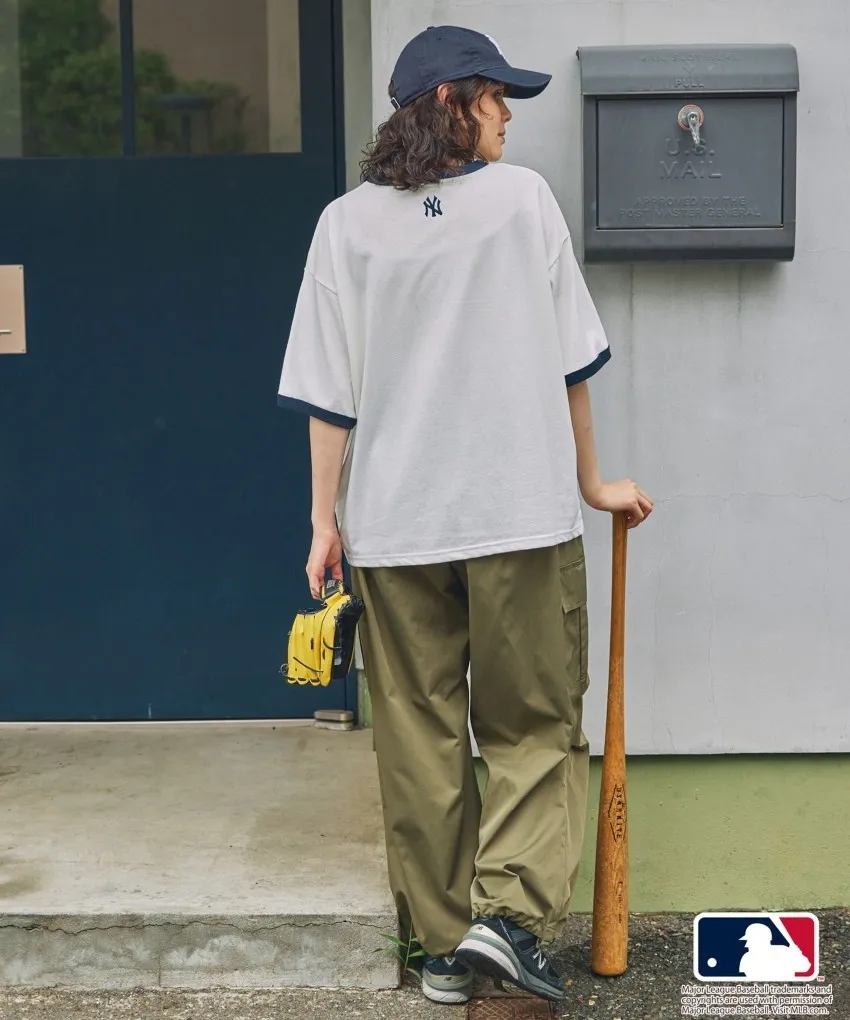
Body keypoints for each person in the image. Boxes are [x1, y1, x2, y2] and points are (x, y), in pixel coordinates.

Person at [277, 25, 653, 1005]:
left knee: (418, 736)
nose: (508, 116)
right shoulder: (523, 204)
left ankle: (445, 951)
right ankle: (510, 922)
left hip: (395, 528)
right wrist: (594, 483)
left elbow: (328, 397)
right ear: (451, 103)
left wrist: (323, 521)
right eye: (497, 97)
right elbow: (572, 365)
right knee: (533, 727)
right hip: (520, 516)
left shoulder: (345, 225)